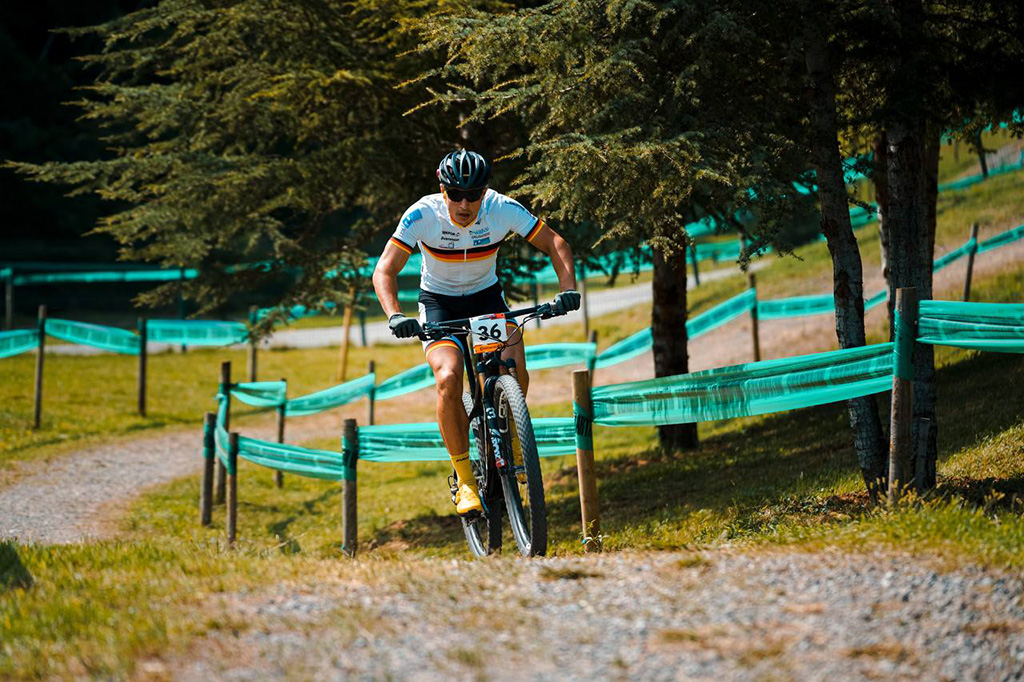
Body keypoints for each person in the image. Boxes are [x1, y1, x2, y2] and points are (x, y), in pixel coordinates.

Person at [372, 150, 581, 517]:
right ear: (442, 190)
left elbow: (555, 243)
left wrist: (566, 289)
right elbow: (384, 271)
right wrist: (395, 315)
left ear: (485, 192)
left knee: (512, 363)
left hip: (486, 299)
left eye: (474, 195)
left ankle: (514, 436)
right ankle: (466, 479)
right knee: (449, 377)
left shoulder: (501, 208)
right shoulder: (422, 214)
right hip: (440, 303)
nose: (465, 204)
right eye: (455, 195)